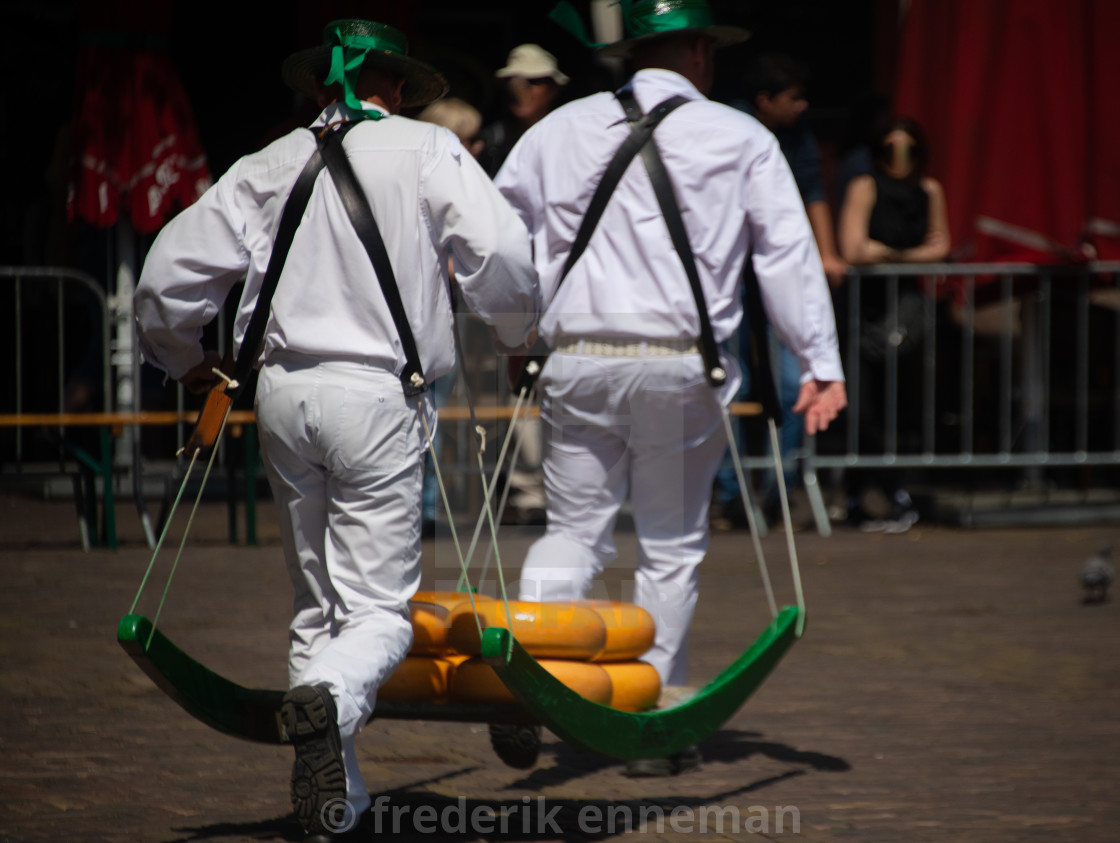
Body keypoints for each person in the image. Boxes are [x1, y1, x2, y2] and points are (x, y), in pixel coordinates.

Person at [133, 19, 539, 841]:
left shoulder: (270, 161)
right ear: (394, 84)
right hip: (379, 398)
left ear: (319, 86)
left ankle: (335, 801)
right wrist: (517, 332)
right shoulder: (427, 151)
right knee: (380, 613)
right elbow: (500, 253)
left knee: (318, 604)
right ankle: (327, 702)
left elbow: (164, 278)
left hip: (281, 394)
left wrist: (181, 359)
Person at [495, 0, 846, 776]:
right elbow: (786, 255)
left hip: (577, 356)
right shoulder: (739, 135)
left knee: (573, 531)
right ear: (697, 52)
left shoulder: (555, 130)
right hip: (681, 364)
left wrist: (515, 335)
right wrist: (818, 360)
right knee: (670, 546)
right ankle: (651, 711)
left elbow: (496, 239)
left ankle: (534, 675)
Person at [714, 51, 850, 529]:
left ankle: (778, 489)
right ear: (764, 100)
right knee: (732, 382)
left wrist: (826, 252)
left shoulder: (796, 134)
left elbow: (813, 193)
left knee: (796, 383)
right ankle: (731, 494)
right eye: (794, 98)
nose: (803, 106)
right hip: (727, 279)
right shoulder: (729, 128)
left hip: (776, 273)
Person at [837, 115, 949, 532]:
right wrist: (907, 254)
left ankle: (894, 492)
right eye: (890, 150)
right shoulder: (864, 187)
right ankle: (861, 493)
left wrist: (888, 254)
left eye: (909, 151)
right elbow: (853, 248)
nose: (900, 160)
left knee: (901, 405)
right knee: (862, 407)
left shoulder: (929, 190)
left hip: (907, 313)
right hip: (863, 312)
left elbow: (942, 246)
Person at [477, 43, 569, 178]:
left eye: (533, 81)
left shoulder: (570, 137)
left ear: (554, 89)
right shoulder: (488, 142)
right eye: (512, 81)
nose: (520, 88)